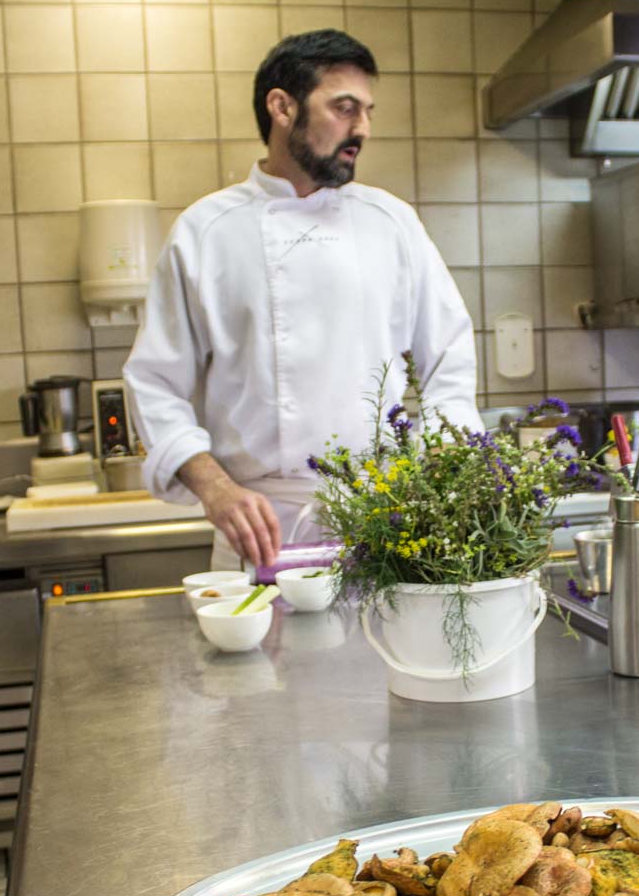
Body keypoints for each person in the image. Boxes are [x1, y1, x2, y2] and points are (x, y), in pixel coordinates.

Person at [123, 29, 481, 569]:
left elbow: (449, 359)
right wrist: (216, 488)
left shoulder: (392, 224)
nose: (362, 128)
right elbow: (154, 383)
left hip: (382, 525)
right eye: (344, 108)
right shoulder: (206, 231)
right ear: (282, 107)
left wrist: (443, 460)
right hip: (256, 530)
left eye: (367, 111)